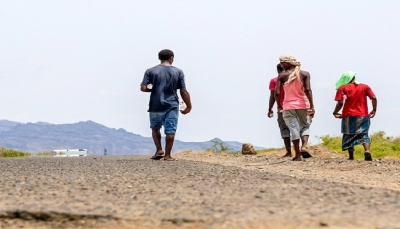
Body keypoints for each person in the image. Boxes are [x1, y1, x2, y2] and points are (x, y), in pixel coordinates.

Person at [140, 49, 192, 161]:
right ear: (171, 58)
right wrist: (188, 106)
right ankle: (168, 155)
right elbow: (183, 91)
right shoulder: (178, 72)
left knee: (155, 128)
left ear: (159, 58)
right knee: (170, 131)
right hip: (172, 105)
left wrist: (154, 88)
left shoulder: (150, 71)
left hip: (155, 104)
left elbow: (143, 88)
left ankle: (159, 150)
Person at [275, 55, 315, 161]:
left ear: (288, 63)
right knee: (305, 126)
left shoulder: (282, 76)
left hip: (288, 106)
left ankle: (297, 155)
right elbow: (308, 90)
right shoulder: (305, 74)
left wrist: (279, 105)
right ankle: (304, 146)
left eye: (283, 63)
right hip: (303, 105)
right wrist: (312, 105)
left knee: (293, 129)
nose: (282, 65)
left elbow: (277, 92)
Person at [332, 71, 377, 161]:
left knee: (348, 134)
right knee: (364, 134)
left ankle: (351, 156)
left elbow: (340, 102)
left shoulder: (342, 88)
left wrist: (335, 112)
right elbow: (374, 98)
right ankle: (367, 151)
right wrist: (374, 109)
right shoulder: (365, 87)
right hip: (363, 115)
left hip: (349, 116)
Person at [268, 64, 292, 157]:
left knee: (284, 129)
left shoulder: (274, 80)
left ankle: (289, 152)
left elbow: (273, 96)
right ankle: (299, 150)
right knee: (296, 128)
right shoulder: (293, 79)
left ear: (277, 70)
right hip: (295, 106)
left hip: (282, 107)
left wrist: (270, 108)